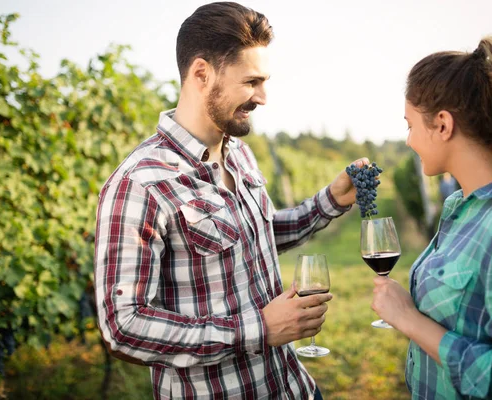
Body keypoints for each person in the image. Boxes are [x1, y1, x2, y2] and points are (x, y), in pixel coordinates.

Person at [94, 2, 367, 399]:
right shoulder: (142, 183)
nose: (263, 96)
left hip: (290, 386)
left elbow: (257, 235)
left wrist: (331, 199)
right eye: (252, 82)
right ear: (202, 74)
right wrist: (260, 329)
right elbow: (123, 327)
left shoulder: (238, 153)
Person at [371, 36, 492, 399]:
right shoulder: (458, 206)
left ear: (442, 124)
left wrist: (408, 319)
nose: (408, 141)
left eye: (410, 125)